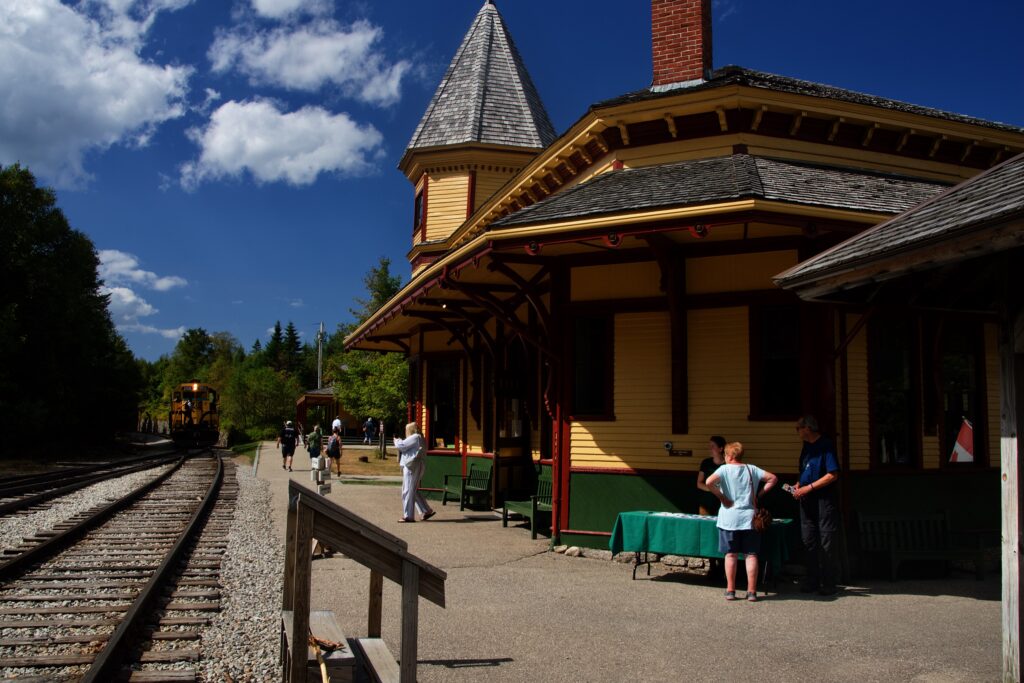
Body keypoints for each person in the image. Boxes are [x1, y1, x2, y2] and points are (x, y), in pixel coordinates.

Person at [705, 441, 778, 602]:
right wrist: (758, 495)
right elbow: (773, 478)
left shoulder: (724, 469)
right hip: (750, 518)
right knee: (751, 555)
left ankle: (730, 590)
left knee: (730, 555)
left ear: (729, 456)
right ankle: (751, 591)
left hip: (728, 518)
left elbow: (709, 482)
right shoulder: (751, 469)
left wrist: (723, 497)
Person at [791, 414, 841, 595]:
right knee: (808, 539)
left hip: (823, 499)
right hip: (806, 498)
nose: (797, 431)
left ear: (808, 428)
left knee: (827, 539)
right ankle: (812, 579)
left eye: (799, 428)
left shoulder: (825, 446)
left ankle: (829, 582)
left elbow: (832, 475)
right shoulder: (806, 447)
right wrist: (799, 484)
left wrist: (809, 487)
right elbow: (804, 469)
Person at [393, 422, 435, 523]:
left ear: (410, 429)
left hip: (411, 466)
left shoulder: (415, 437)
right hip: (416, 465)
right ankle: (426, 511)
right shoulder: (419, 437)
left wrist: (396, 440)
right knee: (413, 490)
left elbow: (401, 445)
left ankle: (408, 516)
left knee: (407, 490)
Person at [696, 436, 727, 515]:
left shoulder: (728, 464)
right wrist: (712, 489)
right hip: (706, 502)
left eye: (713, 446)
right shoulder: (706, 463)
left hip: (723, 503)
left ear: (721, 449)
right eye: (709, 446)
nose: (710, 448)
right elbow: (699, 483)